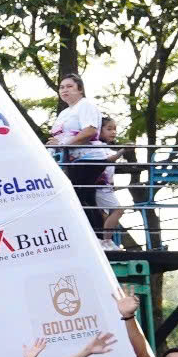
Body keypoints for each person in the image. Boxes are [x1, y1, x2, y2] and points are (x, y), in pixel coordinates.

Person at [45, 72, 122, 240]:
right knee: (82, 198)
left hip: (89, 158)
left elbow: (91, 130)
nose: (64, 90)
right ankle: (96, 239)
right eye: (62, 87)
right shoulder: (65, 112)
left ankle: (98, 240)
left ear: (80, 90)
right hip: (72, 160)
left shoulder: (85, 105)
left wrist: (64, 144)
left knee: (82, 198)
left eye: (69, 86)